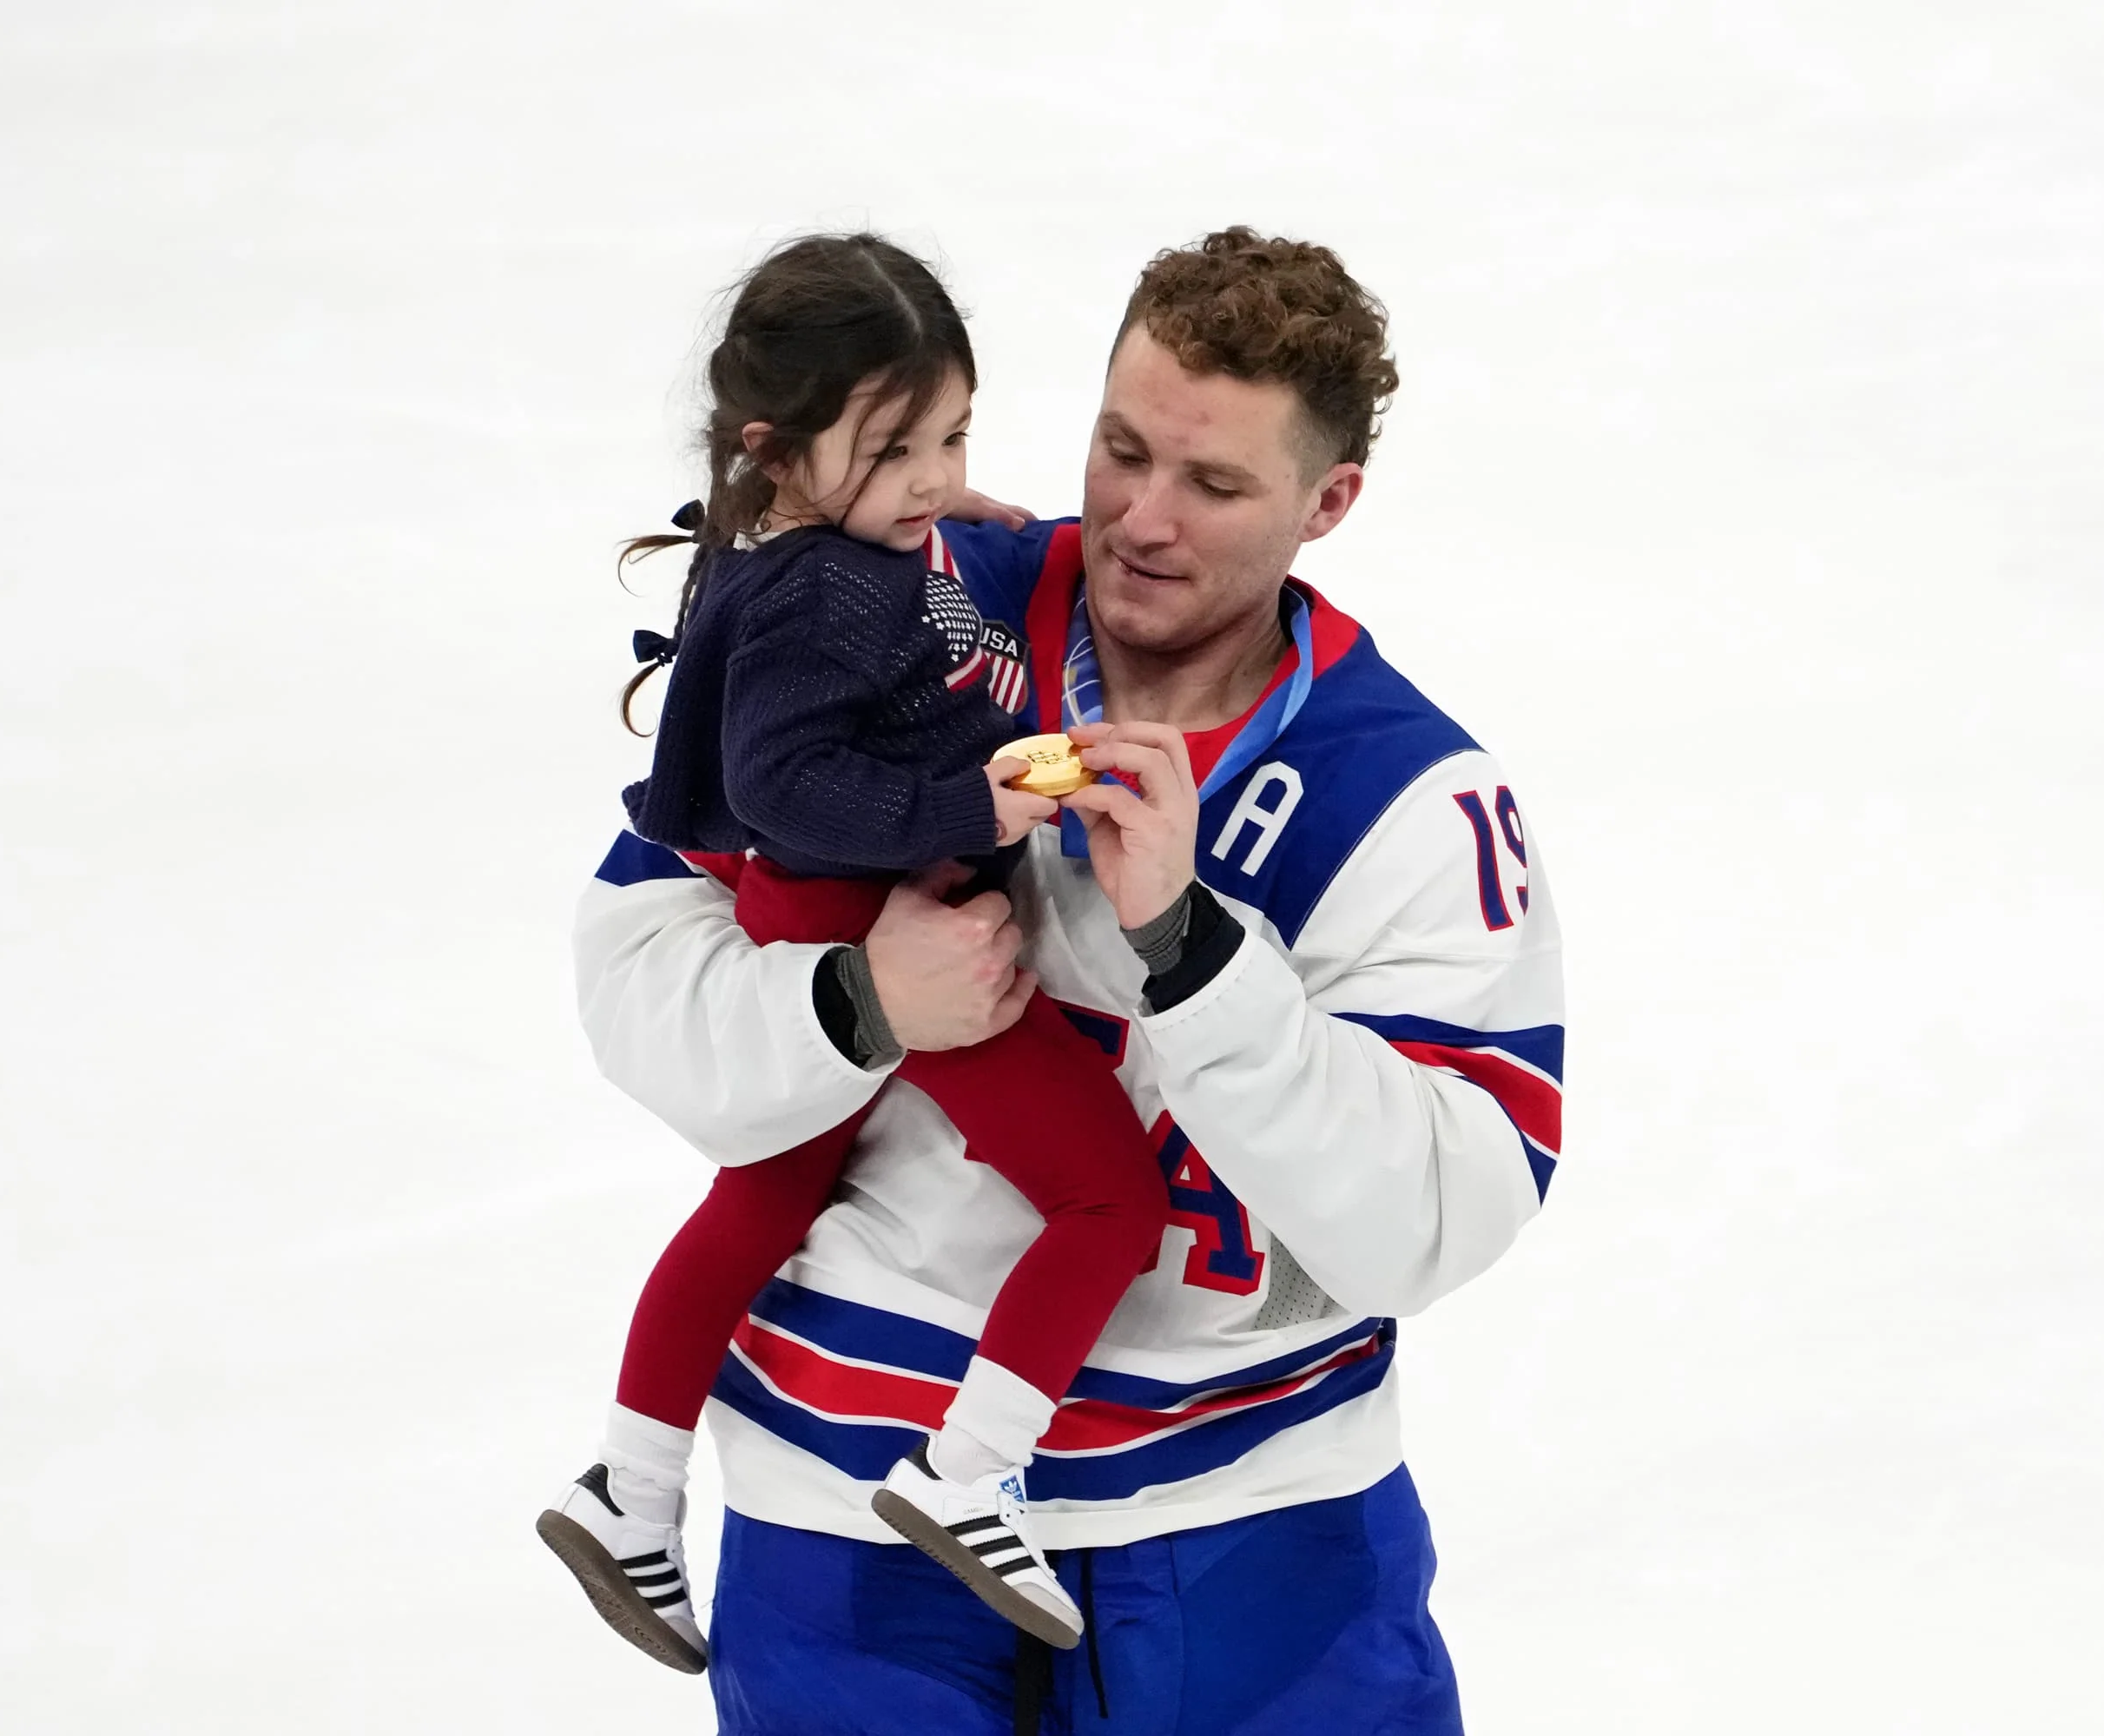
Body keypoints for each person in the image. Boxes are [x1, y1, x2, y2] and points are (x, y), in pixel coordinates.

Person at [574, 228, 1566, 1733]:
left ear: (1329, 502)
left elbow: (1443, 1212)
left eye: (1214, 485)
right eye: (1119, 450)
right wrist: (859, 1003)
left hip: (1260, 1529)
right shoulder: (893, 605)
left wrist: (1196, 956)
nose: (1140, 521)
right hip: (850, 1508)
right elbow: (636, 978)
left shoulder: (1407, 798)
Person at [537, 234, 1169, 1671]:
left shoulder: (842, 548)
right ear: (776, 451)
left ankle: (629, 1488)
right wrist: (974, 804)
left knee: (764, 1194)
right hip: (866, 922)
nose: (937, 475)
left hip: (850, 902)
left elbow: (909, 615)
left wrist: (944, 526)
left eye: (951, 433)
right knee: (1108, 1202)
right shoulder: (826, 591)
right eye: (898, 449)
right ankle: (968, 1472)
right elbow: (781, 790)